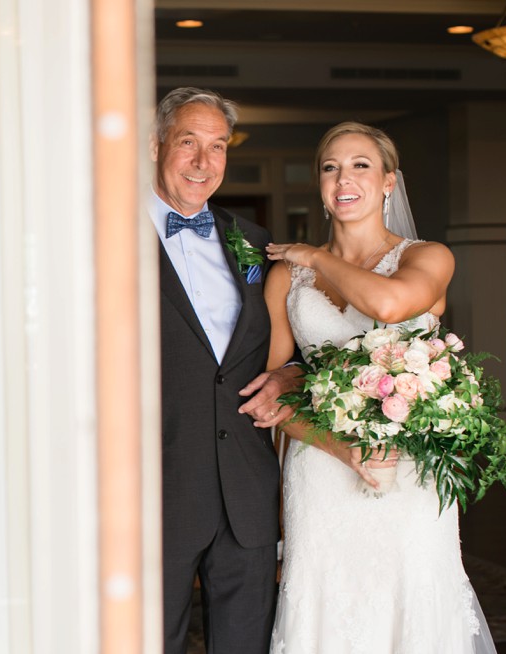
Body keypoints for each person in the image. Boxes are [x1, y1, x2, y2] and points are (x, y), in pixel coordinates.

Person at [261, 121, 497, 653]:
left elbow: (389, 306)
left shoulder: (427, 257)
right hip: (320, 476)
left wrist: (316, 257)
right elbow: (270, 396)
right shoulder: (286, 280)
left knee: (410, 606)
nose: (344, 178)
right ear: (320, 183)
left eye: (360, 165)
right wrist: (340, 447)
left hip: (409, 474)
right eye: (330, 167)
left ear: (389, 181)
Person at [150, 87, 300, 654]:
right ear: (155, 144)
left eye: (218, 147)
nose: (203, 162)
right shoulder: (105, 237)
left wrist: (286, 377)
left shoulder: (253, 243)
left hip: (245, 487)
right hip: (155, 487)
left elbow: (289, 350)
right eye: (188, 142)